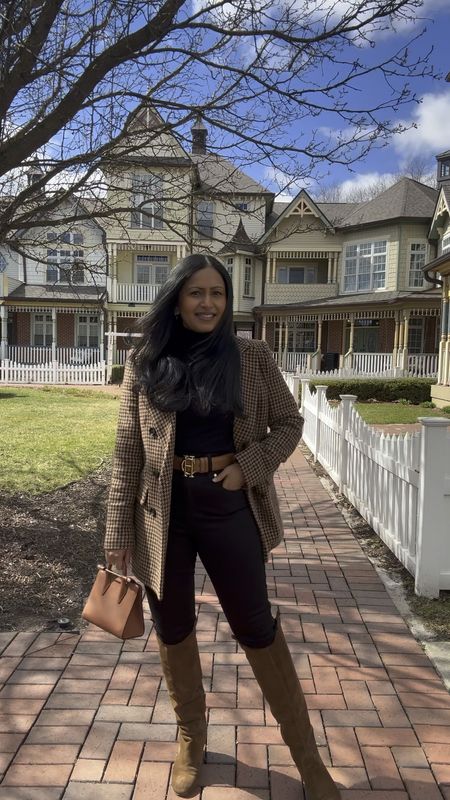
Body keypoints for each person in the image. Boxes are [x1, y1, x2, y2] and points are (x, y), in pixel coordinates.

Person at [104, 253, 340, 800]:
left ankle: (307, 758)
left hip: (229, 505)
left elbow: (289, 423)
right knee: (174, 625)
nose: (208, 303)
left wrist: (248, 468)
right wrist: (116, 532)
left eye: (217, 292)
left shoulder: (251, 356)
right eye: (196, 293)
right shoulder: (146, 361)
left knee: (256, 626)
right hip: (163, 514)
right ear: (177, 300)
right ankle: (192, 738)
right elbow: (127, 453)